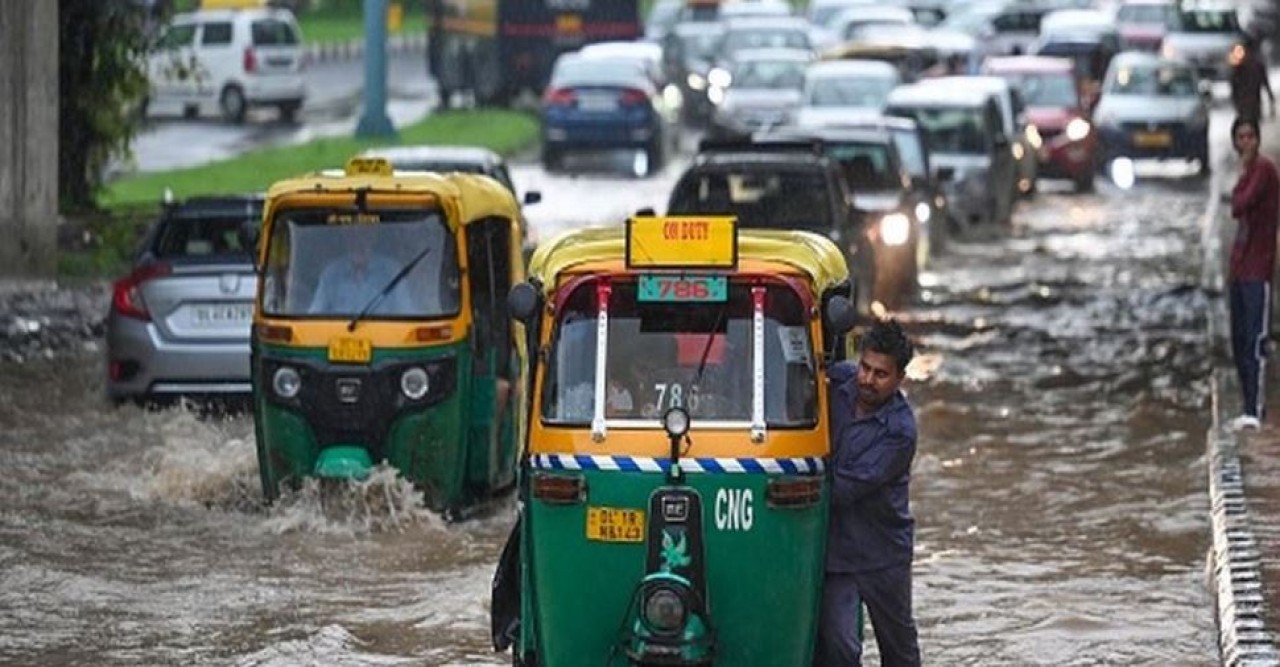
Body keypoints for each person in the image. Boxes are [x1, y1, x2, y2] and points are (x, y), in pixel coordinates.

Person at [815, 318, 921, 667]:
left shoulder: (900, 431)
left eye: (880, 374)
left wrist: (803, 483)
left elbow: (845, 487)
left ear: (899, 379)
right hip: (837, 555)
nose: (867, 379)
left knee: (900, 652)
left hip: (883, 555)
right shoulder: (840, 381)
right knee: (840, 649)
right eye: (865, 367)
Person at [1227, 116, 1280, 431]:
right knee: (1239, 340)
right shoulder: (1247, 172)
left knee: (1256, 341)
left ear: (1257, 140)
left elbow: (1239, 204)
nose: (1245, 142)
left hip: (1258, 269)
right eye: (1240, 137)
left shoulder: (1263, 171)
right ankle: (1247, 406)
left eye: (1250, 136)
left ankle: (1255, 408)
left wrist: (1240, 184)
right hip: (1239, 267)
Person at [308, 228, 413, 316]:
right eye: (352, 235)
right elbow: (314, 316)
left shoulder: (392, 272)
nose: (358, 241)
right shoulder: (331, 275)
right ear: (345, 238)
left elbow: (408, 313)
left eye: (364, 234)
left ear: (374, 237)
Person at [1231, 36, 1275, 123]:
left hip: (1248, 103)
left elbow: (1233, 84)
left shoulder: (1243, 65)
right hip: (1249, 102)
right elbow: (1265, 82)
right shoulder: (1254, 64)